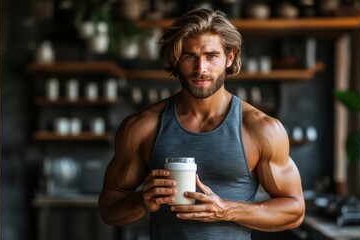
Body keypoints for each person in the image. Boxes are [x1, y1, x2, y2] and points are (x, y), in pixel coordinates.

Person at [98, 7, 305, 240]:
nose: (200, 69)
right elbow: (109, 210)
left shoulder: (261, 129)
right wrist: (141, 201)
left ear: (230, 58)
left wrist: (226, 210)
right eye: (189, 56)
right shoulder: (142, 127)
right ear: (176, 60)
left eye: (211, 56)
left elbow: (294, 211)